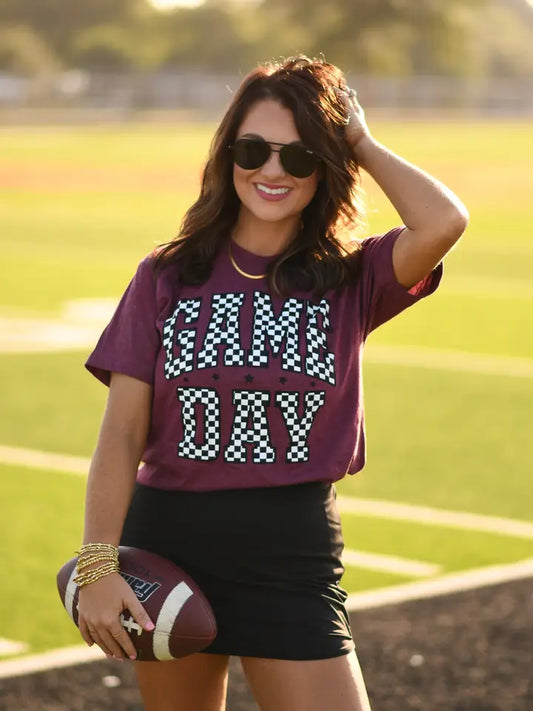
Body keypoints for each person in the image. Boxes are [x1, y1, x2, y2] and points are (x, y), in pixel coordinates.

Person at [76, 55, 468, 711]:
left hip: (290, 553)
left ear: (327, 167)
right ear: (227, 155)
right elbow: (121, 434)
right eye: (253, 149)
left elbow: (443, 223)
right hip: (169, 543)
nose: (272, 170)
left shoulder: (353, 276)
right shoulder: (165, 276)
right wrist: (97, 565)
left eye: (300, 156)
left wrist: (361, 141)